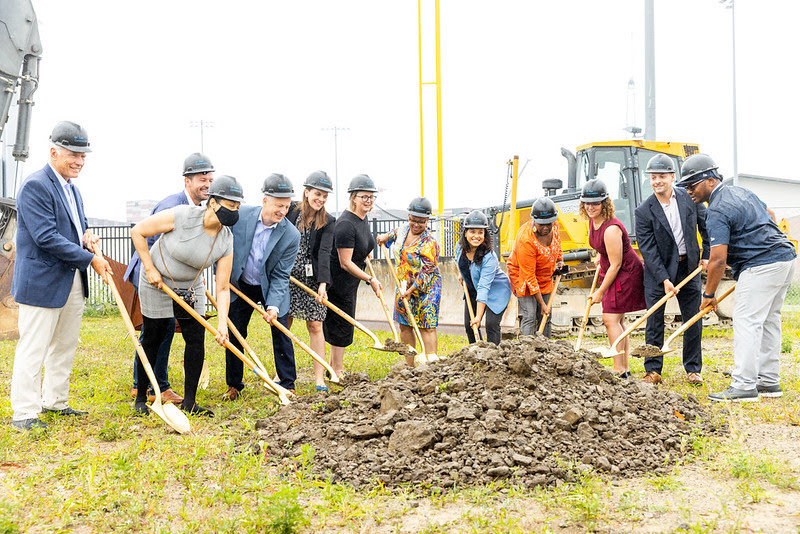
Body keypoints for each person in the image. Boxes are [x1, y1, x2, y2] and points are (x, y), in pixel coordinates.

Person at [9, 121, 112, 431]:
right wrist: (90, 258)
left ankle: (55, 401)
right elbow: (46, 237)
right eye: (73, 154)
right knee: (34, 347)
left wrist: (87, 236)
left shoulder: (73, 190)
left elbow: (76, 227)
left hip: (70, 282)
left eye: (83, 156)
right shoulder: (35, 185)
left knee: (64, 344)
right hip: (42, 281)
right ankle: (24, 413)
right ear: (54, 152)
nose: (79, 161)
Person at [677, 154, 797, 402]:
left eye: (692, 185)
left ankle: (743, 385)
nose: (688, 190)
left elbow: (718, 260)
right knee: (768, 321)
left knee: (747, 321)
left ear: (709, 180)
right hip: (785, 258)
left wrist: (708, 295)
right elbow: (770, 214)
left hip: (762, 265)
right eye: (686, 186)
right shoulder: (741, 192)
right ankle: (768, 381)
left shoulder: (717, 209)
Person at [131, 175, 242, 417]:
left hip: (191, 286)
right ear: (213, 202)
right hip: (157, 281)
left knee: (195, 339)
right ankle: (141, 396)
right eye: (230, 205)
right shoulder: (182, 215)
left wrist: (223, 324)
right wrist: (149, 268)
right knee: (153, 335)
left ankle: (190, 401)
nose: (234, 210)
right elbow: (138, 232)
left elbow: (222, 287)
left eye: (237, 206)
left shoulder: (226, 239)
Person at [124, 152, 215, 404]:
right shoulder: (172, 206)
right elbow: (151, 243)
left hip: (175, 278)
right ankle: (152, 387)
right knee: (158, 329)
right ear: (187, 181)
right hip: (151, 271)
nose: (206, 184)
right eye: (201, 179)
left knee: (163, 328)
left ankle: (149, 385)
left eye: (210, 179)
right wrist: (154, 273)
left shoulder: (202, 208)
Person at [635, 154, 709, 385]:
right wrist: (664, 279)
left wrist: (706, 256)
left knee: (693, 319)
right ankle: (653, 370)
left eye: (662, 177)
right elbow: (648, 250)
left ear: (672, 177)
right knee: (654, 321)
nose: (657, 181)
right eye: (653, 177)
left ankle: (693, 369)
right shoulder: (643, 211)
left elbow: (707, 229)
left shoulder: (690, 200)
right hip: (659, 272)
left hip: (689, 268)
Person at [224, 173, 300, 399]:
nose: (283, 211)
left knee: (281, 331)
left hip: (270, 286)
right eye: (279, 205)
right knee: (235, 331)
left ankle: (287, 383)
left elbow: (281, 275)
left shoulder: (291, 234)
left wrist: (274, 306)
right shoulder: (240, 216)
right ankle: (234, 384)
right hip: (241, 283)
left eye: (287, 206)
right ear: (265, 200)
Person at [580, 179, 646, 378]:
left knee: (610, 319)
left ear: (605, 203)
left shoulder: (611, 229)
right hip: (612, 268)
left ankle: (618, 368)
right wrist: (601, 258)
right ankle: (624, 368)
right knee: (617, 320)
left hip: (625, 273)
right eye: (587, 203)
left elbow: (617, 263)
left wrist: (600, 292)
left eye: (596, 203)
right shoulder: (594, 221)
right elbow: (606, 253)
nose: (590, 207)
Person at [324, 174, 382, 376]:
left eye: (371, 197)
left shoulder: (361, 219)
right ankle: (337, 370)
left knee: (344, 323)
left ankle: (334, 367)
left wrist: (366, 253)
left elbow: (361, 244)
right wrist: (370, 279)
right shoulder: (346, 224)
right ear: (353, 198)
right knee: (340, 325)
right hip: (339, 283)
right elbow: (345, 262)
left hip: (350, 283)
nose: (368, 201)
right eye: (364, 197)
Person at [376, 197, 442, 364]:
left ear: (427, 220)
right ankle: (409, 367)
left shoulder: (430, 242)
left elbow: (427, 272)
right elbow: (392, 236)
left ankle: (430, 364)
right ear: (408, 217)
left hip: (426, 287)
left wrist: (411, 290)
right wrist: (384, 237)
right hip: (403, 283)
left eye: (421, 222)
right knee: (405, 324)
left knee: (426, 326)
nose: (416, 225)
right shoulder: (403, 230)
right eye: (413, 220)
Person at [286, 171, 335, 392]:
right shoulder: (290, 212)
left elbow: (325, 252)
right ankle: (283, 374)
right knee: (283, 323)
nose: (321, 199)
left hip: (312, 280)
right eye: (317, 194)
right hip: (285, 277)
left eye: (325, 196)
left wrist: (323, 284)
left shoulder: (328, 221)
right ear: (306, 192)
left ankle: (319, 378)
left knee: (315, 324)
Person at [507, 197, 565, 338]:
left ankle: (546, 348)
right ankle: (527, 350)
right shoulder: (526, 240)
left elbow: (557, 243)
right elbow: (529, 277)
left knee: (546, 315)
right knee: (530, 315)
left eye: (548, 224)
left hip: (544, 274)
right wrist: (542, 304)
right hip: (523, 276)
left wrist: (559, 259)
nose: (545, 228)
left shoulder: (554, 225)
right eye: (541, 224)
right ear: (534, 220)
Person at [455, 210, 511, 345]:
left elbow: (484, 287)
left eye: (480, 232)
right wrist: (461, 275)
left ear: (485, 234)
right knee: (470, 326)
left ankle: (494, 357)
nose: (476, 236)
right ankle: (475, 355)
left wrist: (478, 317)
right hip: (473, 289)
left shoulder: (489, 257)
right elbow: (457, 262)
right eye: (472, 231)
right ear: (465, 233)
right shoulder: (459, 247)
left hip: (496, 291)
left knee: (491, 325)